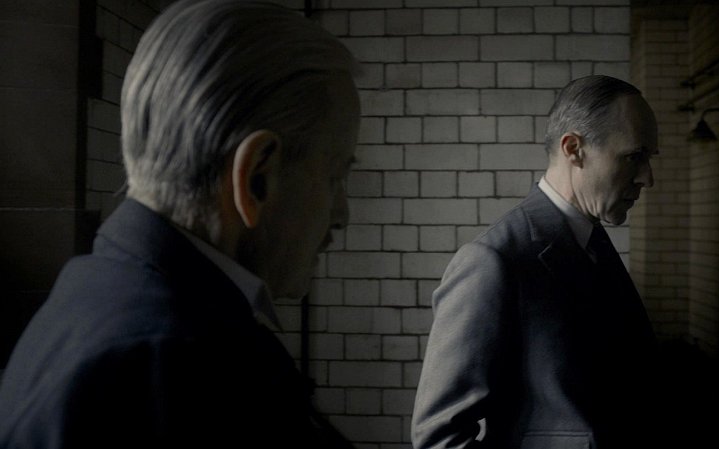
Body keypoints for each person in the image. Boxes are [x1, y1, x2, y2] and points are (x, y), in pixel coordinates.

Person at [0, 1, 359, 447]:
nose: (342, 214)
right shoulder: (180, 370)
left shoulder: (98, 298)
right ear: (256, 176)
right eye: (335, 176)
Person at [412, 75, 661, 449]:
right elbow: (440, 437)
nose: (647, 178)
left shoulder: (594, 242)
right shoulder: (493, 261)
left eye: (649, 158)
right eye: (633, 157)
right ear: (573, 149)